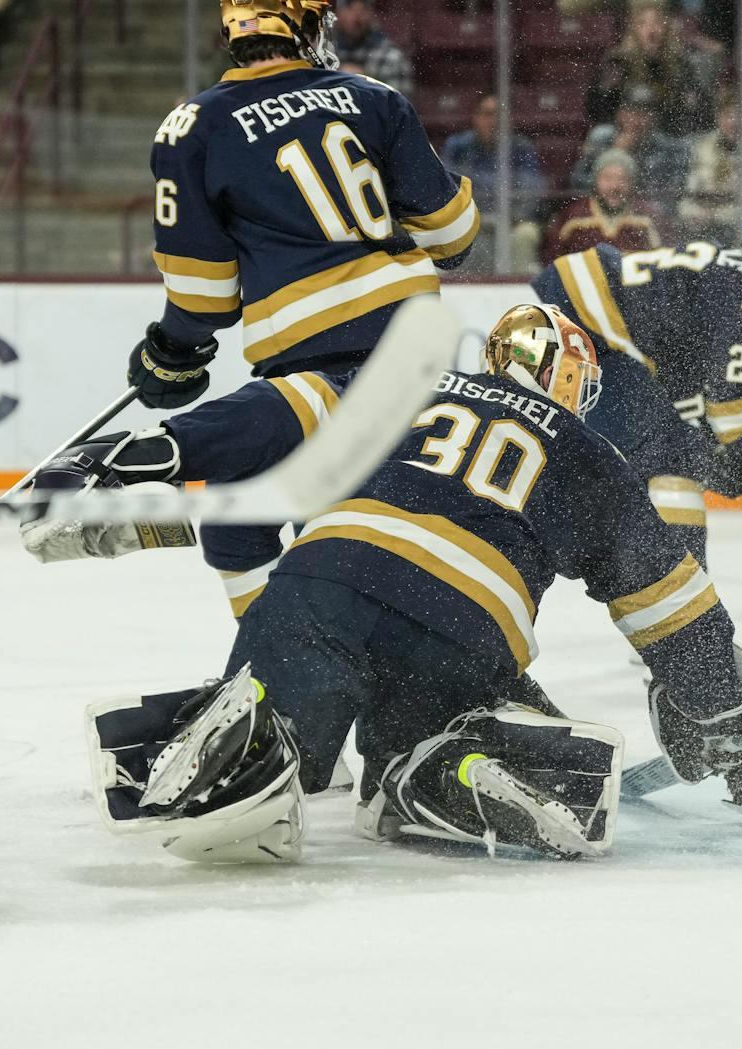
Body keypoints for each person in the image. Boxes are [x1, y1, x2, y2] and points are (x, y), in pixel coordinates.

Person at [22, 304, 742, 863]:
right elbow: (671, 604)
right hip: (465, 627)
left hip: (329, 582)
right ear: (571, 382)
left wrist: (135, 454)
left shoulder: (412, 387)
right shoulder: (593, 455)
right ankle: (436, 767)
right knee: (442, 725)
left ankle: (257, 738)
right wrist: (713, 709)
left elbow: (275, 414)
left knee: (290, 681)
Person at [127, 0, 477, 612]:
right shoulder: (373, 96)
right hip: (418, 352)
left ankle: (286, 660)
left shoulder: (194, 125)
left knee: (258, 517)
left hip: (314, 364)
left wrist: (172, 350)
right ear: (304, 26)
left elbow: (204, 296)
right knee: (262, 510)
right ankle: (283, 659)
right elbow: (454, 238)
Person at [532, 193, 742, 565]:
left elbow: (691, 381)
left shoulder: (735, 281)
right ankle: (678, 583)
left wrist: (715, 451)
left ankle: (673, 579)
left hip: (579, 321)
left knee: (673, 450)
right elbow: (736, 411)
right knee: (673, 457)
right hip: (577, 329)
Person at [441, 93, 546, 273]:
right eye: (487, 114)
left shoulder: (521, 147)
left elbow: (532, 191)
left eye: (499, 115)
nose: (493, 121)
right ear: (475, 117)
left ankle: (519, 296)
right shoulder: (458, 146)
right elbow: (447, 189)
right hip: (470, 222)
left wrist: (510, 216)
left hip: (512, 221)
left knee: (526, 234)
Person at [585, 0, 715, 137]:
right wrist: (607, 89)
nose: (651, 30)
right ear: (633, 28)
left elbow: (693, 107)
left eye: (657, 23)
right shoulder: (618, 62)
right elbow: (596, 111)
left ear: (667, 28)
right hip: (626, 135)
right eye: (643, 23)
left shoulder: (680, 63)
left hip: (668, 136)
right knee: (600, 134)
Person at [678, 90, 742, 242]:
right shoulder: (702, 147)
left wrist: (717, 216)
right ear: (718, 117)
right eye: (727, 116)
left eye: (738, 116)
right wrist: (693, 212)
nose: (733, 122)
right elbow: (691, 193)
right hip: (704, 227)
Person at [571, 84, 689, 211]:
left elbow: (669, 192)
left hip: (647, 213)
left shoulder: (666, 147)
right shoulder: (602, 137)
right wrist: (614, 154)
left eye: (643, 114)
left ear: (654, 118)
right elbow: (578, 181)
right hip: (602, 209)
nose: (636, 120)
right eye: (631, 112)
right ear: (620, 114)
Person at [541, 148, 665, 266]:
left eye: (622, 179)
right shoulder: (573, 217)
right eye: (607, 178)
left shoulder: (646, 220)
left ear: (632, 183)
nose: (614, 186)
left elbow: (663, 264)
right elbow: (552, 262)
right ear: (595, 180)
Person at [331, 0, 411, 96]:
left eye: (363, 8)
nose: (357, 16)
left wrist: (366, 79)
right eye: (349, 7)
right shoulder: (322, 49)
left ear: (371, 13)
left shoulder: (392, 57)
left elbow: (400, 105)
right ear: (337, 12)